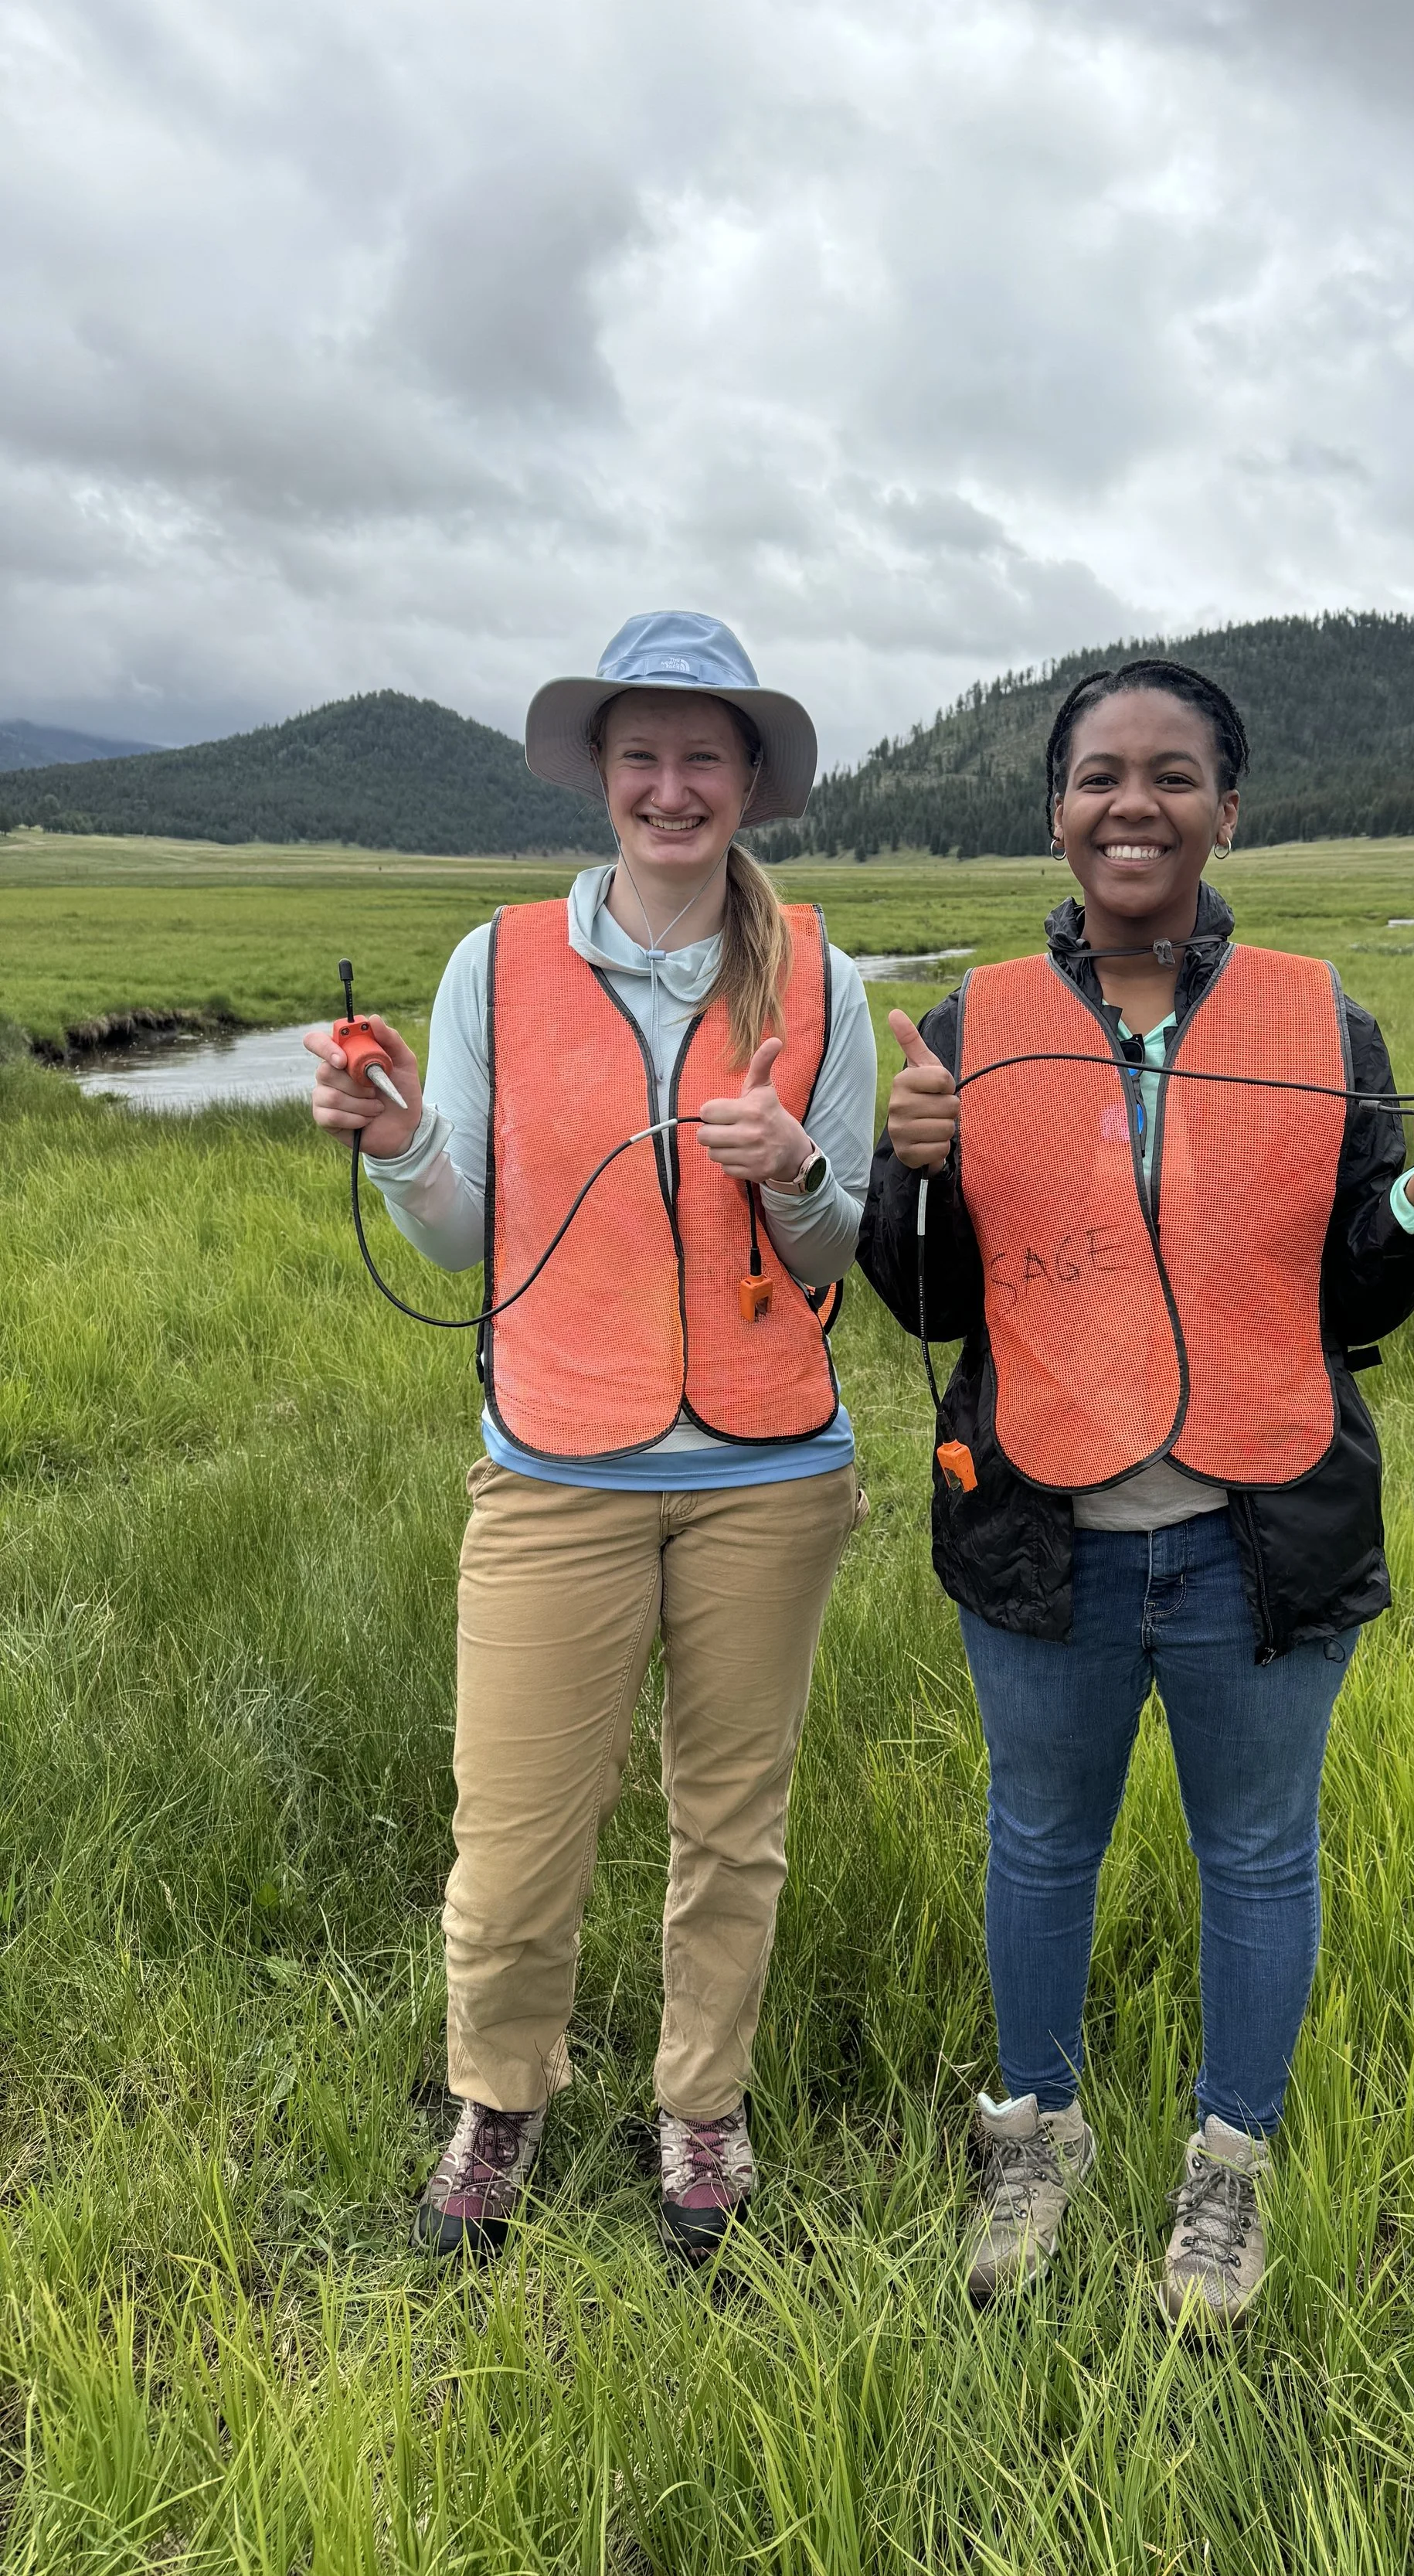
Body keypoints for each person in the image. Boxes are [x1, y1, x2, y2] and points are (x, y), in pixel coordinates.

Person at [858, 658, 1414, 2321]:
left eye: (1171, 776)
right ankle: (1036, 2131)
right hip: (1040, 1534)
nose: (1130, 805)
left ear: (1228, 812)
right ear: (1054, 812)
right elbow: (930, 1300)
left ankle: (1226, 2166)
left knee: (1254, 1853)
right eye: (1096, 776)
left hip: (1258, 1532)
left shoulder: (1320, 1021)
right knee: (1035, 1839)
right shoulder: (969, 1023)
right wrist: (911, 1164)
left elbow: (1352, 1292)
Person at [307, 611, 875, 2261]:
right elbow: (459, 1230)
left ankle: (701, 2108)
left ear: (749, 781)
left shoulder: (820, 974)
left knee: (732, 1826)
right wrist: (405, 1136)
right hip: (552, 1460)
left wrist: (792, 1169)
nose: (671, 786)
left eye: (705, 755)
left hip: (772, 1468)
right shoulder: (495, 964)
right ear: (599, 774)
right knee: (515, 1828)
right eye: (643, 754)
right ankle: (498, 2101)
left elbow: (840, 1252)